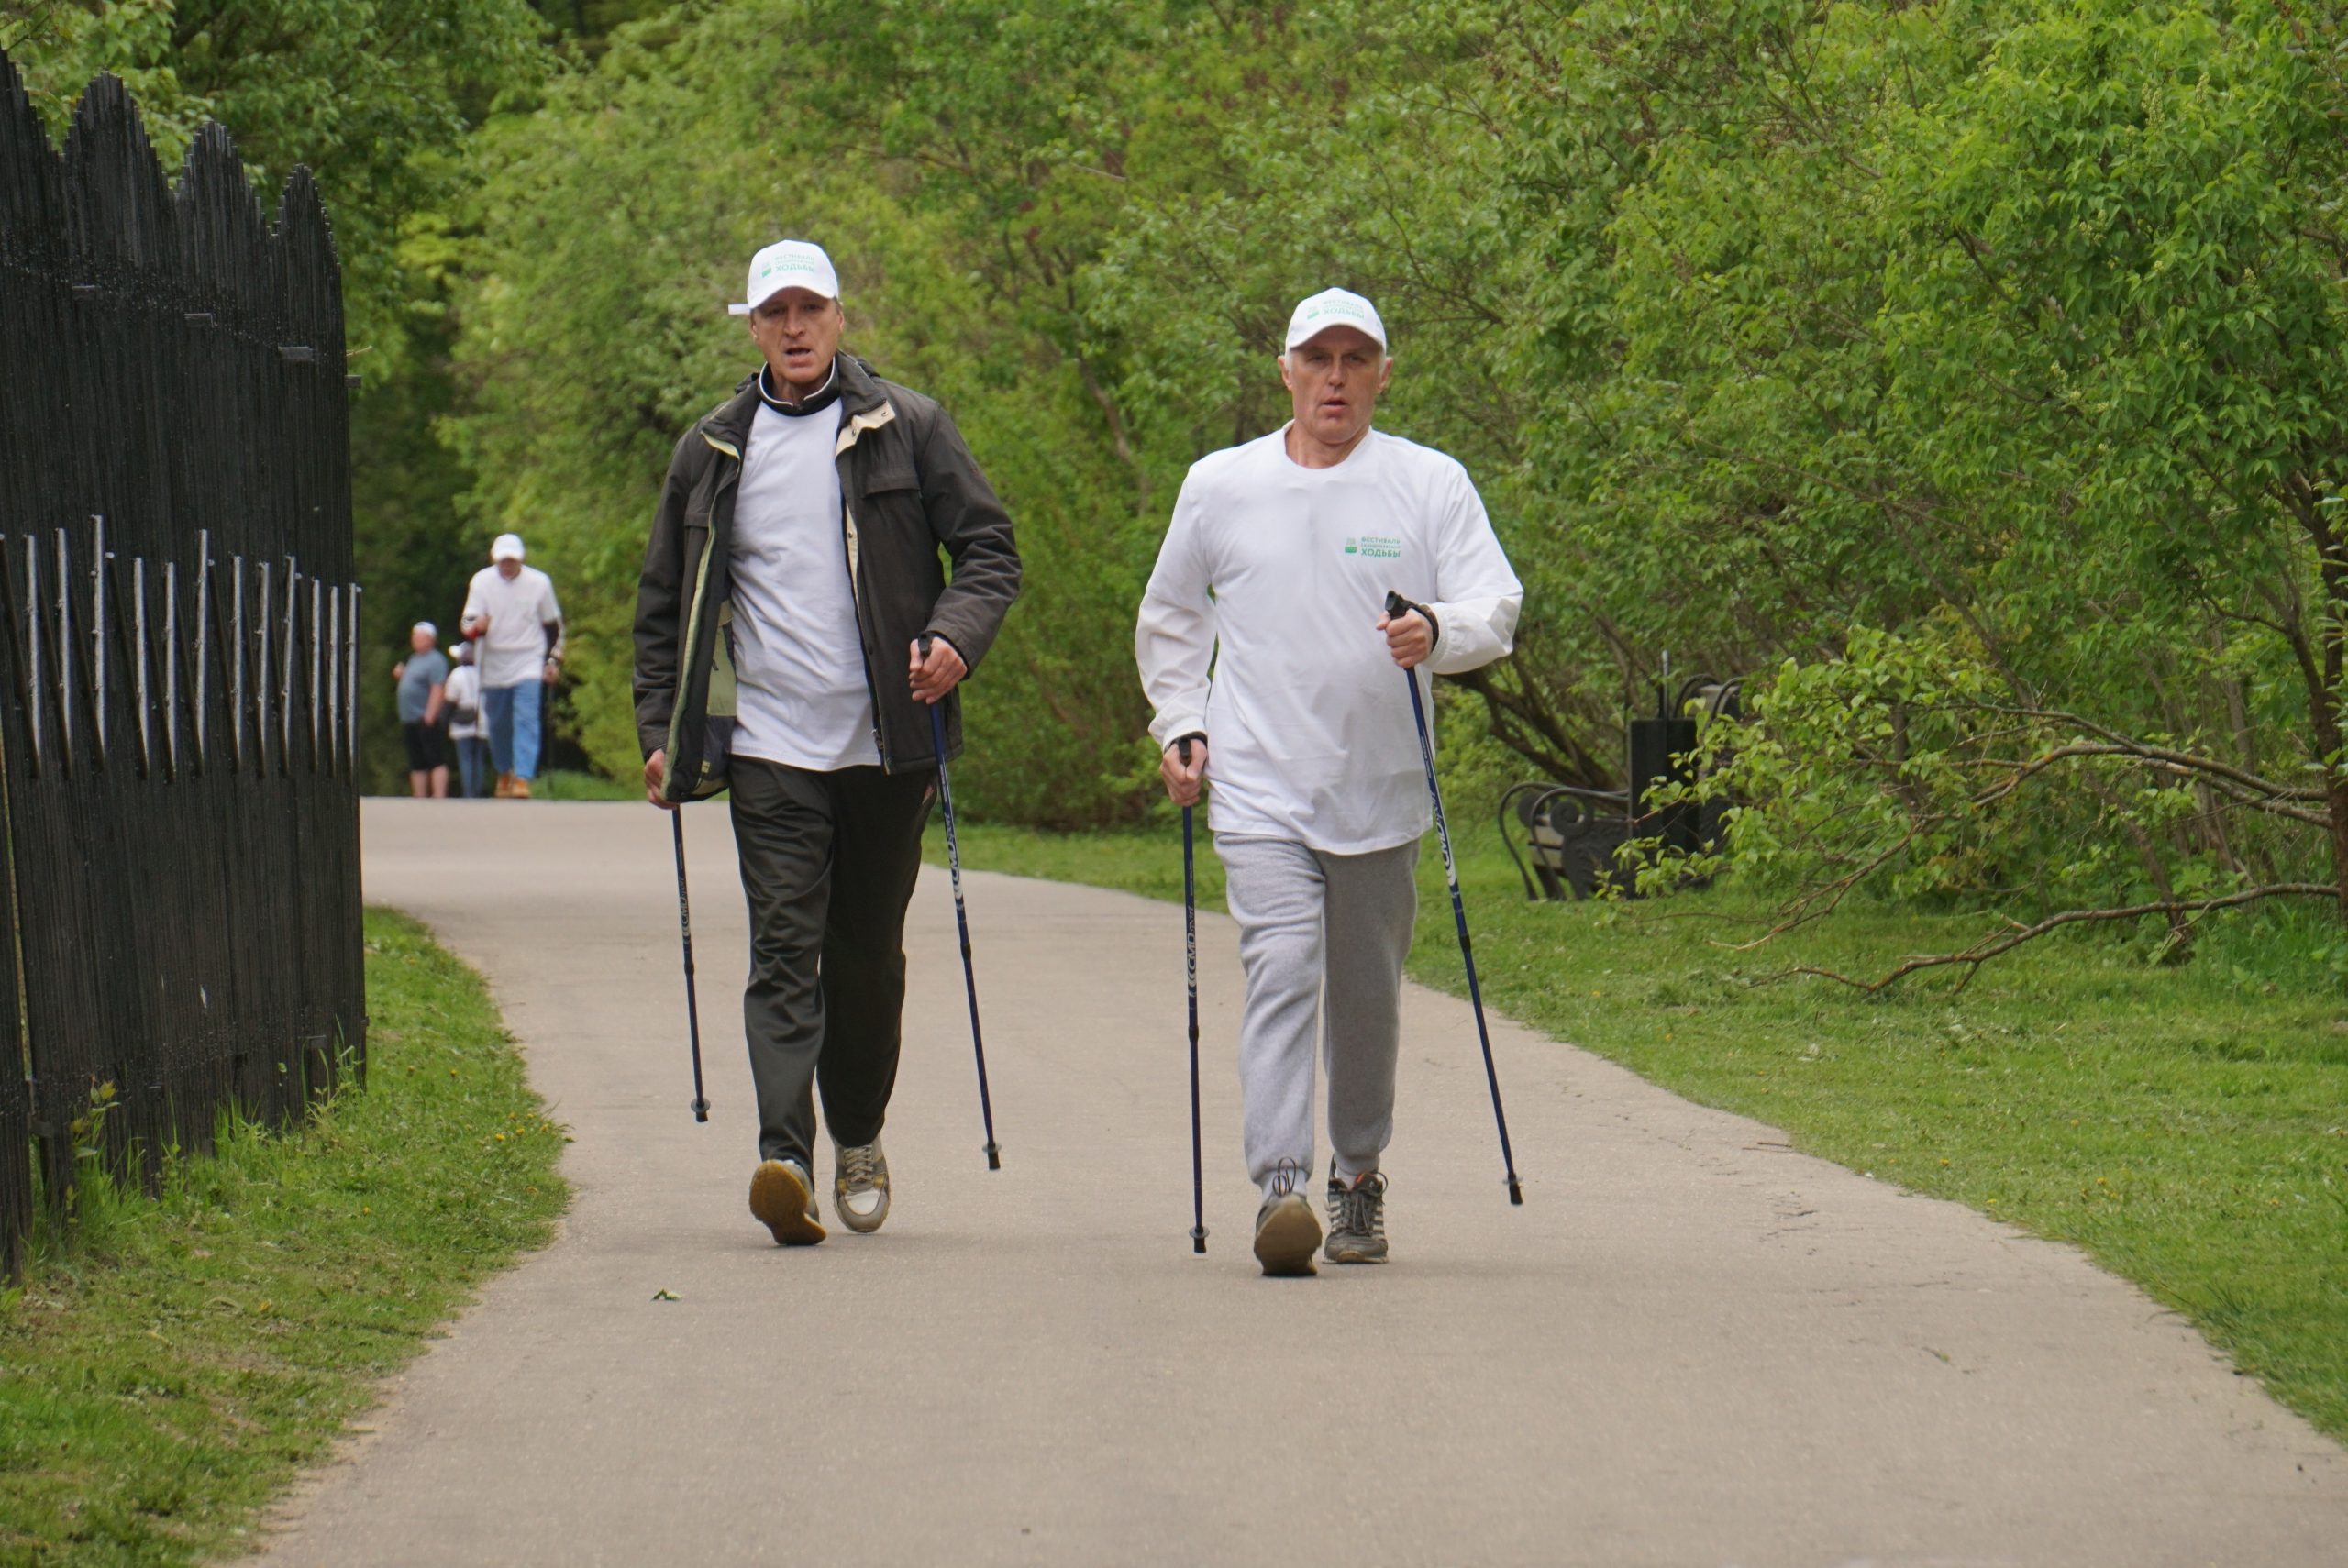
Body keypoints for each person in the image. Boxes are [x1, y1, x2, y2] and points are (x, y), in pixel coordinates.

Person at [634, 238, 1020, 1247]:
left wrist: (954, 640)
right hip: (767, 745)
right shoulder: (713, 449)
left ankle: (856, 1133)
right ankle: (785, 1160)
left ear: (840, 319)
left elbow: (988, 550)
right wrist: (661, 730)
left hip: (887, 745)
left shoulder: (908, 426)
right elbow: (664, 605)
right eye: (776, 313)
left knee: (864, 962)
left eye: (810, 309)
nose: (795, 328)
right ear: (753, 328)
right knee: (782, 949)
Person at [1135, 287, 1523, 1276]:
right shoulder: (1220, 484)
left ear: (1384, 374)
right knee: (1282, 968)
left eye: (1355, 360)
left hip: (1379, 791)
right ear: (1286, 372)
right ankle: (1281, 1188)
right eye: (1317, 359)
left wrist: (1437, 630)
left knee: (1365, 996)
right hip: (1258, 784)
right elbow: (1172, 617)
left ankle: (1357, 1175)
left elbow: (1495, 606)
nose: (1335, 379)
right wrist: (1181, 722)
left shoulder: (1428, 483)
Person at [460, 533, 564, 799]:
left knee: (526, 717)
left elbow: (554, 627)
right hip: (494, 660)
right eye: (503, 561)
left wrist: (552, 660)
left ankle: (522, 776)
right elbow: (467, 623)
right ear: (495, 560)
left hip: (528, 658)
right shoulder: (482, 581)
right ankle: (504, 771)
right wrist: (478, 627)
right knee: (498, 723)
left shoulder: (538, 583)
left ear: (521, 560)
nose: (507, 566)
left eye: (512, 561)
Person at [392, 622, 449, 799]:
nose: (415, 639)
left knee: (434, 757)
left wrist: (430, 714)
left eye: (419, 636)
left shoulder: (435, 660)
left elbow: (437, 688)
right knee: (416, 760)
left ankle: (439, 795)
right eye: (414, 636)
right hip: (409, 718)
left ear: (430, 639)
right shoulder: (414, 659)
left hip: (424, 717)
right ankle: (420, 796)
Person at [445, 642, 488, 799]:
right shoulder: (483, 673)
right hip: (482, 721)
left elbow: (450, 699)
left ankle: (469, 793)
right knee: (479, 759)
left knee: (466, 759)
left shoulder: (457, 675)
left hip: (462, 724)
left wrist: (443, 720)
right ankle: (479, 792)